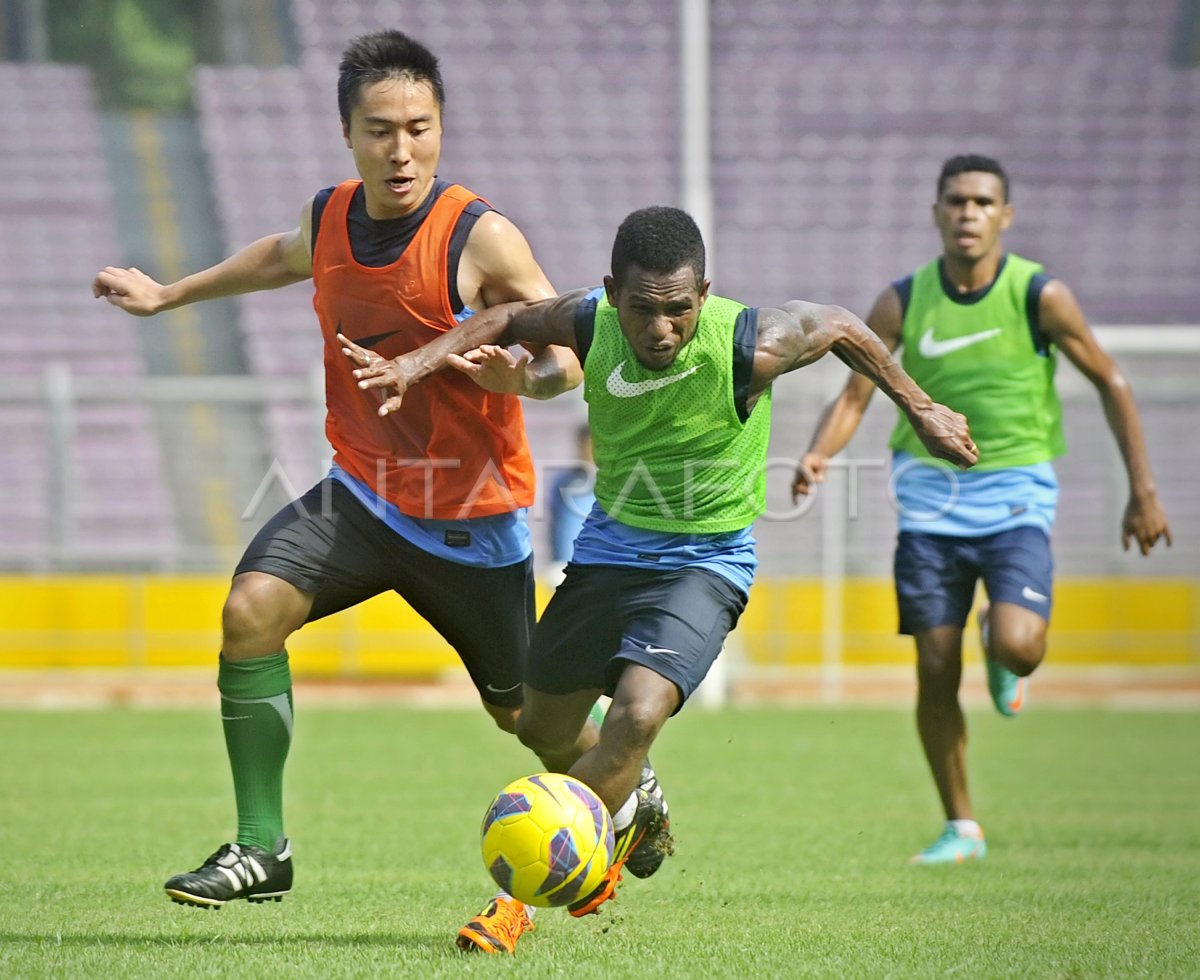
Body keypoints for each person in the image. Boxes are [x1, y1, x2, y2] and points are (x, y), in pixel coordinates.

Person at [89, 29, 625, 937]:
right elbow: (278, 254)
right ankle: (262, 848)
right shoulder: (331, 216)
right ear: (349, 134)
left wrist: (518, 380)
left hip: (470, 520)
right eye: (381, 130)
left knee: (529, 721)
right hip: (363, 497)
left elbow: (569, 354)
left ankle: (629, 776)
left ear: (441, 127)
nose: (402, 148)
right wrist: (169, 295)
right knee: (250, 610)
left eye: (419, 127)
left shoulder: (480, 235)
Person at [338, 205, 977, 952]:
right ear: (612, 293)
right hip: (609, 553)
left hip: (705, 563)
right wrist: (416, 363)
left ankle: (520, 901)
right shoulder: (588, 322)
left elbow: (837, 324)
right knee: (539, 726)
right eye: (644, 310)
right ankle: (632, 793)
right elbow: (508, 316)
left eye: (680, 309)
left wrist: (923, 406)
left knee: (636, 717)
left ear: (704, 294)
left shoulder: (750, 344)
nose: (663, 329)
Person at [793, 154, 1172, 864]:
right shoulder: (903, 302)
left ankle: (1006, 655)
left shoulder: (1040, 295)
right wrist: (820, 455)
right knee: (934, 668)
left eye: (982, 202)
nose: (968, 213)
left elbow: (1111, 379)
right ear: (937, 212)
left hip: (1015, 503)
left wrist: (1143, 490)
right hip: (929, 514)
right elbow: (854, 396)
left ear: (1005, 215)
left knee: (1020, 642)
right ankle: (961, 827)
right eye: (956, 201)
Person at [547, 422, 596, 567]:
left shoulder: (617, 484)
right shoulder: (564, 483)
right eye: (584, 445)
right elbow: (555, 526)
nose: (588, 451)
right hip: (564, 564)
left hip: (600, 564)